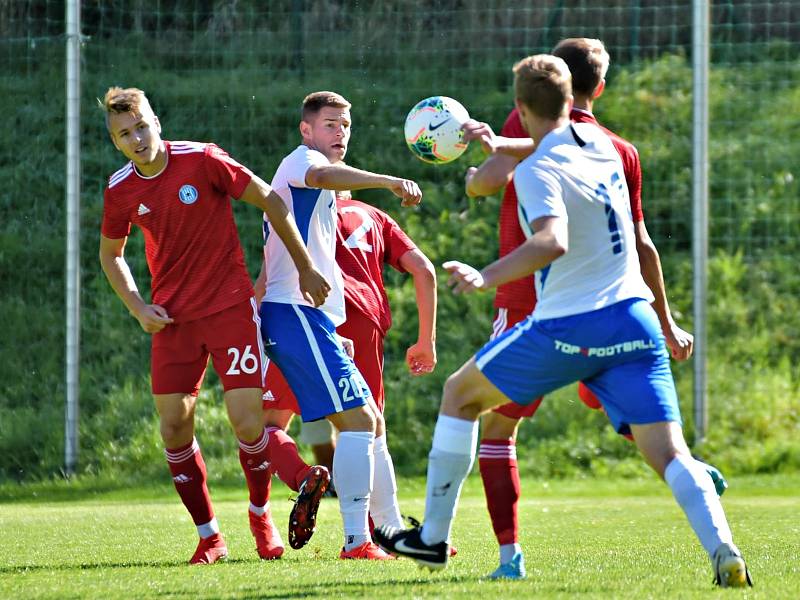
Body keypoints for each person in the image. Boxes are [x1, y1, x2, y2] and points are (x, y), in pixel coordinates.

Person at [374, 55, 752, 589]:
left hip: (568, 327)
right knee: (670, 454)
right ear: (573, 102)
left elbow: (552, 241)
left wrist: (485, 276)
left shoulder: (536, 173)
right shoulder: (604, 148)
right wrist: (496, 145)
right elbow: (545, 143)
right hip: (635, 322)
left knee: (460, 394)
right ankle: (724, 549)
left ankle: (433, 539)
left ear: (521, 109)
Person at [458, 37, 723, 579]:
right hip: (614, 302)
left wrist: (482, 160)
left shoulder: (530, 121)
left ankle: (509, 560)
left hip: (529, 297)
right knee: (650, 428)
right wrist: (667, 320)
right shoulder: (618, 148)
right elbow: (642, 243)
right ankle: (684, 468)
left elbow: (485, 187)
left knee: (494, 428)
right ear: (600, 87)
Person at [98, 87, 330, 564]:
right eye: (125, 134)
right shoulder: (121, 189)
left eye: (141, 126)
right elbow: (110, 254)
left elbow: (270, 200)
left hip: (228, 309)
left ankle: (260, 514)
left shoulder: (203, 160)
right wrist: (138, 306)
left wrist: (305, 267)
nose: (137, 138)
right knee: (173, 427)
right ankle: (209, 537)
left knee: (249, 422)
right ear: (116, 141)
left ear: (155, 120)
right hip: (172, 321)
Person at [258, 91, 423, 560]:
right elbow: (324, 173)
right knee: (358, 421)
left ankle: (379, 535)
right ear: (306, 130)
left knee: (366, 422)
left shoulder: (320, 193)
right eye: (330, 124)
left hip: (310, 319)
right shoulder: (301, 163)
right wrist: (389, 180)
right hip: (294, 315)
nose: (340, 133)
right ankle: (359, 540)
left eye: (346, 126)